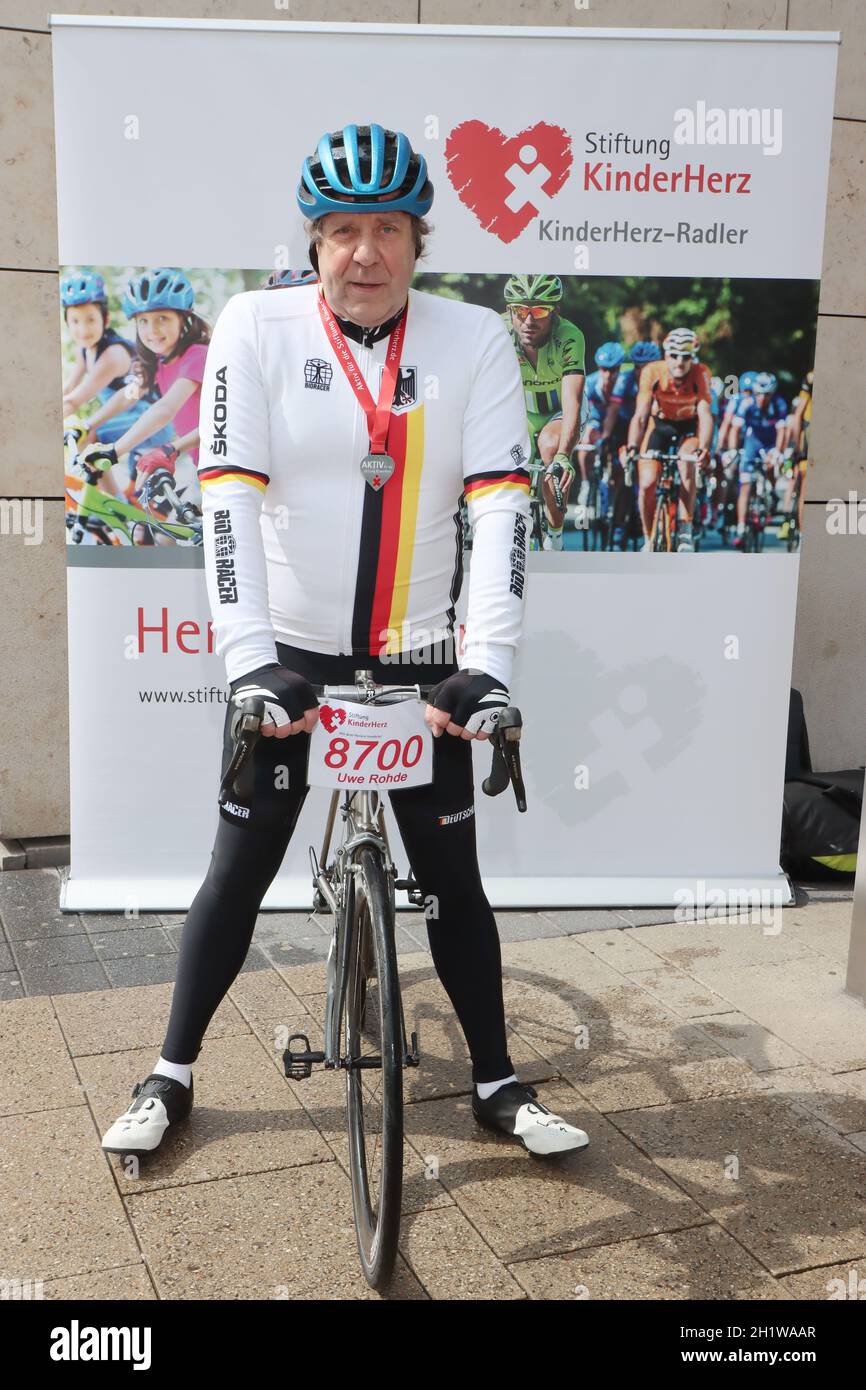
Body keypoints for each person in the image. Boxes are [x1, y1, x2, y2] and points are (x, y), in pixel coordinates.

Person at [100, 124, 589, 1160]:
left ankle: (497, 1082)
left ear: (418, 240)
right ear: (312, 244)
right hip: (295, 658)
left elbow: (501, 507)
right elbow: (226, 500)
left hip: (421, 666)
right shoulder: (253, 326)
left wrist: (486, 666)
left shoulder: (474, 341)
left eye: (384, 230)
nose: (362, 253)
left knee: (453, 877)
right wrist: (247, 662)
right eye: (339, 232)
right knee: (237, 868)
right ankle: (170, 1072)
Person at [79, 269, 210, 541]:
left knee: (166, 536)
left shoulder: (197, 355)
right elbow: (128, 394)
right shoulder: (159, 362)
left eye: (162, 318)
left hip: (224, 468)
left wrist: (116, 450)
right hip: (201, 469)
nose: (152, 330)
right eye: (144, 321)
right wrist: (89, 424)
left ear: (184, 318)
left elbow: (165, 409)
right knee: (151, 534)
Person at [60, 271, 175, 482]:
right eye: (75, 321)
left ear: (105, 319)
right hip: (126, 420)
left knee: (90, 435)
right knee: (88, 436)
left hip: (151, 423)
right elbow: (68, 390)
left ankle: (112, 504)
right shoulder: (85, 350)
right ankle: (111, 502)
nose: (83, 329)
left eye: (90, 320)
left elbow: (76, 400)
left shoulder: (112, 354)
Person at [501, 273, 586, 550]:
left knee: (550, 448)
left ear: (555, 312)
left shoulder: (570, 337)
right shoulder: (495, 332)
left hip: (557, 412)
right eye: (520, 310)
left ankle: (555, 536)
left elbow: (572, 401)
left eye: (538, 310)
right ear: (509, 310)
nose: (529, 320)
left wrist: (564, 454)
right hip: (520, 412)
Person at [626, 327, 713, 552]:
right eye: (674, 355)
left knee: (686, 464)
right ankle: (648, 537)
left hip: (688, 428)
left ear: (692, 358)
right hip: (660, 426)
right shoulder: (652, 371)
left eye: (685, 357)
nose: (679, 362)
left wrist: (704, 449)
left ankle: (685, 528)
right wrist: (633, 446)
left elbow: (705, 415)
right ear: (666, 355)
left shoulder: (701, 373)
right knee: (646, 483)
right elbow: (641, 414)